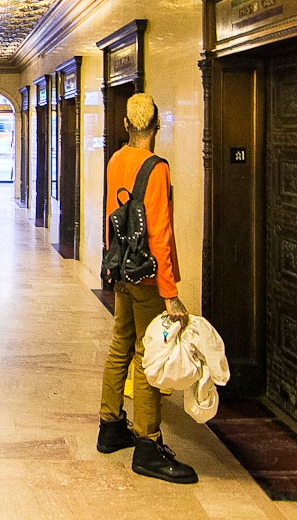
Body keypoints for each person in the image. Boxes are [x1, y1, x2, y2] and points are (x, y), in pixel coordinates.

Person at [96, 93, 198, 484]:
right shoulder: (156, 168)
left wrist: (111, 265)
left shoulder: (115, 160)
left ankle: (110, 425)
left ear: (126, 125)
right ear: (156, 126)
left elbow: (112, 215)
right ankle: (148, 444)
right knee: (147, 352)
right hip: (148, 276)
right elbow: (159, 232)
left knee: (120, 343)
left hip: (121, 268)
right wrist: (169, 292)